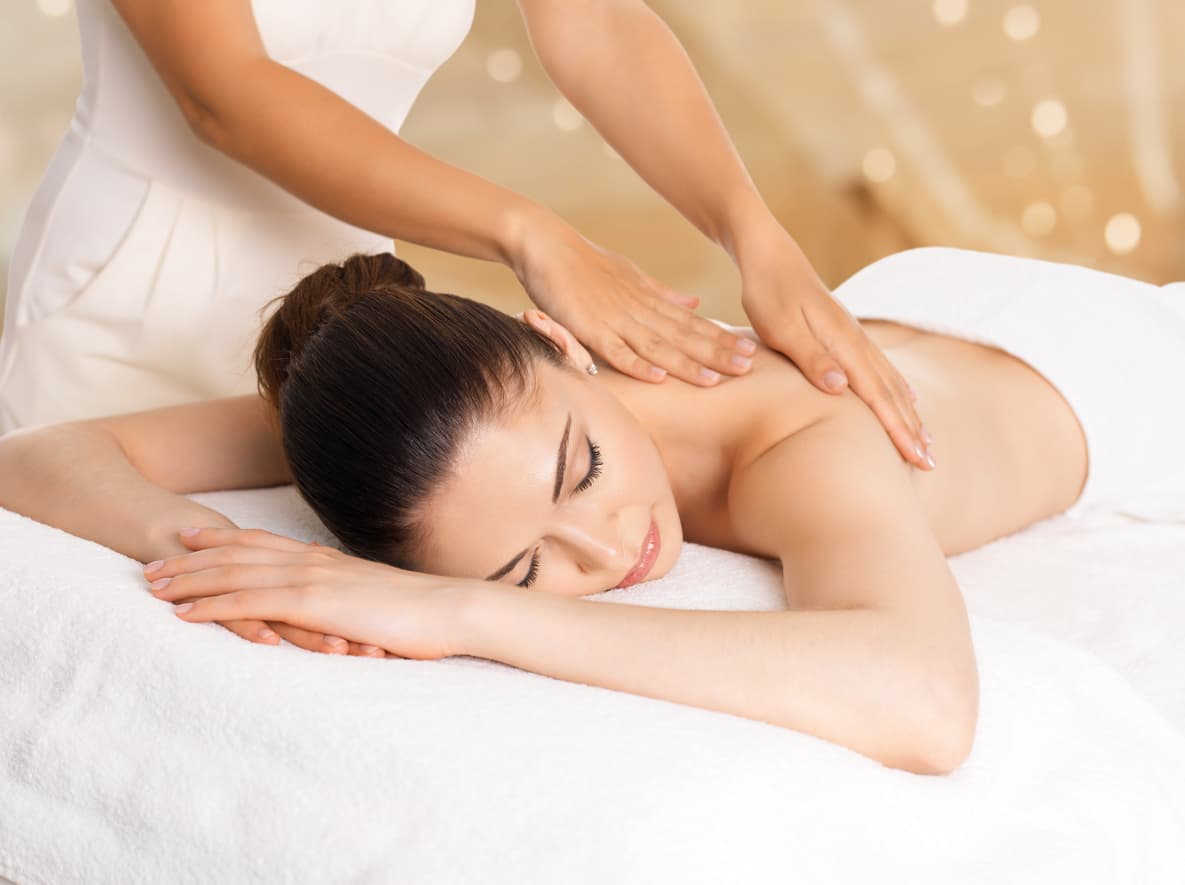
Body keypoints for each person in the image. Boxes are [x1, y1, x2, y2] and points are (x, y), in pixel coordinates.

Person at [3, 247, 1184, 774]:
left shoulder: (803, 449)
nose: (612, 545)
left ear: (562, 343)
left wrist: (475, 614)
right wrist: (202, 544)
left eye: (582, 471)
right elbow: (42, 455)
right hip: (926, 313)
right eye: (525, 569)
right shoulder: (449, 437)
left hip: (1115, 367)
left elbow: (927, 703)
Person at [0, 0, 930, 470]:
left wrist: (754, 235)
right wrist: (528, 233)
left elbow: (595, 25)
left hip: (349, 328)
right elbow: (223, 94)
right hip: (129, 314)